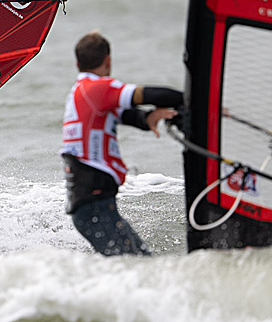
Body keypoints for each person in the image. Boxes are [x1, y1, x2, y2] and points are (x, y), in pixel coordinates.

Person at [59, 30, 183, 256]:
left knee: (140, 264)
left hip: (93, 205)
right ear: (108, 60)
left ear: (77, 64)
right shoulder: (97, 88)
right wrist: (201, 100)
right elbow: (149, 94)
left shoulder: (81, 93)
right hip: (94, 206)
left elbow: (129, 115)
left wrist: (149, 118)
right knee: (137, 266)